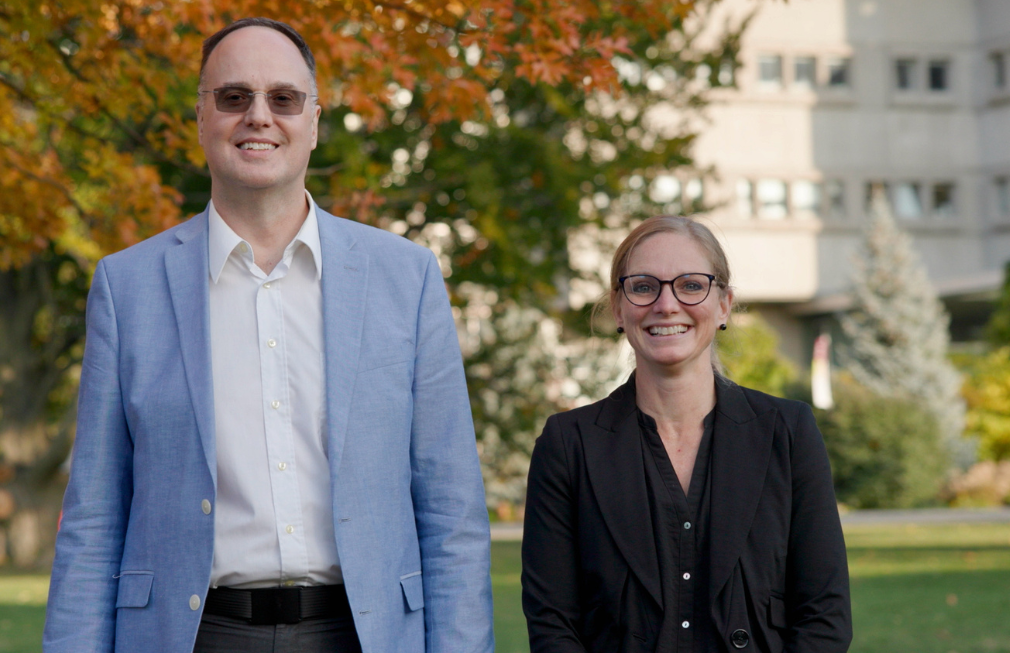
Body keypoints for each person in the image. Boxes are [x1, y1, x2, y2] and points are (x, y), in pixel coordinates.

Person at [43, 18, 493, 653]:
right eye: (233, 98)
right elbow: (94, 516)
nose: (259, 116)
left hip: (367, 634)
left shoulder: (407, 278)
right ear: (201, 120)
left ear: (313, 121)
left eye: (283, 99)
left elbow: (452, 513)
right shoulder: (127, 288)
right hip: (191, 635)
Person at [521, 216, 851, 653]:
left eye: (691, 285)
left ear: (725, 304)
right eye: (643, 286)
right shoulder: (568, 445)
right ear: (619, 308)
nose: (666, 304)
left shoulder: (787, 433)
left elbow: (824, 617)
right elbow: (553, 625)